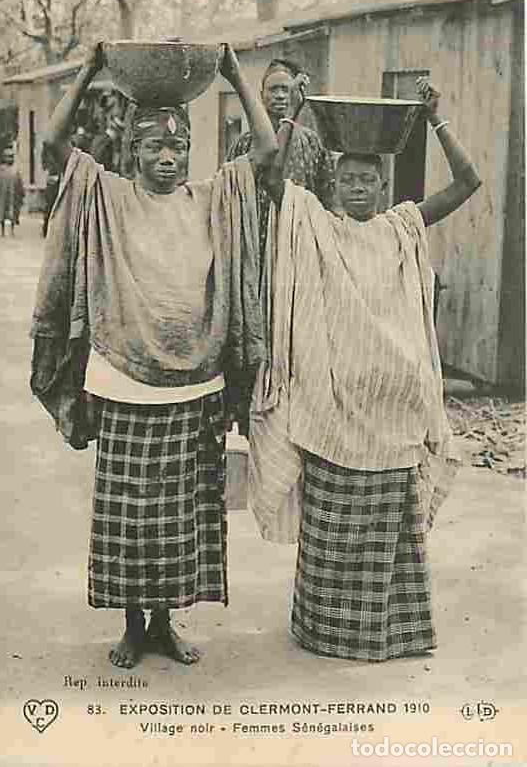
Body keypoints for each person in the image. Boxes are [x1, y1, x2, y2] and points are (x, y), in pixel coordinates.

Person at [30, 41, 276, 669]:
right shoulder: (108, 196)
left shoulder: (212, 199)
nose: (168, 158)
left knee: (180, 513)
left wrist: (235, 75)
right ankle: (132, 626)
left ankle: (164, 623)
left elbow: (267, 152)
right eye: (154, 148)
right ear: (132, 151)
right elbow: (54, 145)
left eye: (178, 147)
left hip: (196, 381)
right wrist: (90, 70)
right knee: (129, 511)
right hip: (123, 377)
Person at [249, 78, 481, 661]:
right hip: (332, 406)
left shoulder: (401, 225)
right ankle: (325, 631)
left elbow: (468, 182)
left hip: (393, 408)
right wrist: (294, 112)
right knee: (332, 527)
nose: (356, 188)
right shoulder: (314, 223)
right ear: (333, 185)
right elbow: (270, 175)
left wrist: (436, 119)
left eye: (366, 180)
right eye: (347, 179)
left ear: (383, 186)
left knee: (388, 532)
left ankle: (393, 633)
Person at [228, 58, 334, 268]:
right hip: (254, 250)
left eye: (285, 90)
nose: (280, 95)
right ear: (261, 95)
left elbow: (327, 198)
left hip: (300, 248)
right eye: (273, 89)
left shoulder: (312, 142)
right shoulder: (244, 144)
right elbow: (229, 196)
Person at [0, 141, 24, 237]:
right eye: (8, 157)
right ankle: (2, 231)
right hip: (2, 196)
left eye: (11, 157)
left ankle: (12, 230)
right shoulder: (1, 170)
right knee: (2, 212)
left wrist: (21, 193)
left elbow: (20, 184)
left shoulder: (15, 170)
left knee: (12, 212)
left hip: (13, 196)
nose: (10, 159)